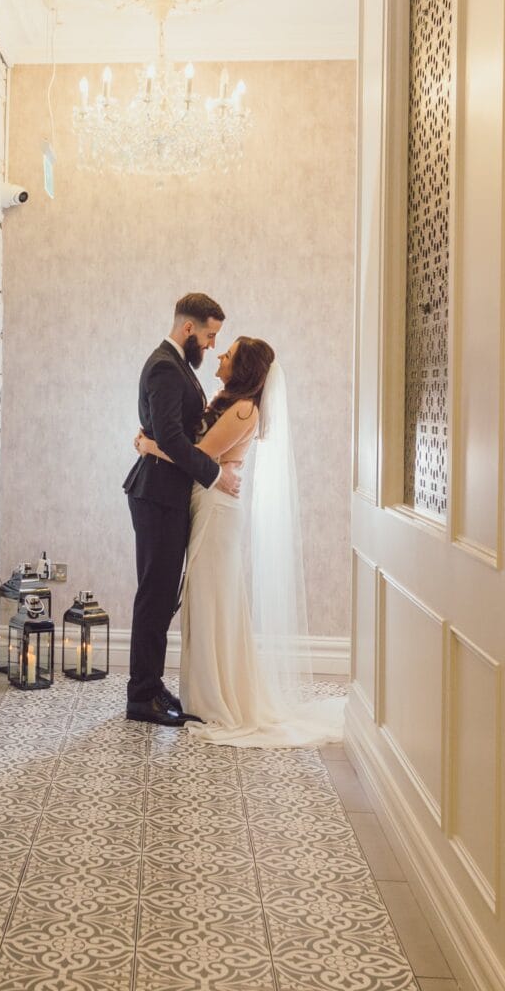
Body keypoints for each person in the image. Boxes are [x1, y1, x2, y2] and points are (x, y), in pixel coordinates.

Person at [134, 336, 344, 747]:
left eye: (227, 354)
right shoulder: (229, 401)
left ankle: (218, 700)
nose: (220, 355)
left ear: (243, 367)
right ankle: (206, 692)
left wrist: (148, 446)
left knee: (214, 599)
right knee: (205, 598)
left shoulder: (245, 409)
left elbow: (196, 452)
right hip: (207, 502)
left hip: (216, 508)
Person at [123, 293, 242, 727]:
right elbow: (173, 439)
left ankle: (151, 685)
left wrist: (147, 440)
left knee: (162, 595)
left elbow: (166, 432)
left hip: (165, 493)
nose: (212, 345)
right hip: (156, 495)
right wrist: (215, 475)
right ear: (188, 328)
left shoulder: (177, 367)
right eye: (210, 335)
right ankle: (141, 696)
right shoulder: (164, 367)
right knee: (155, 596)